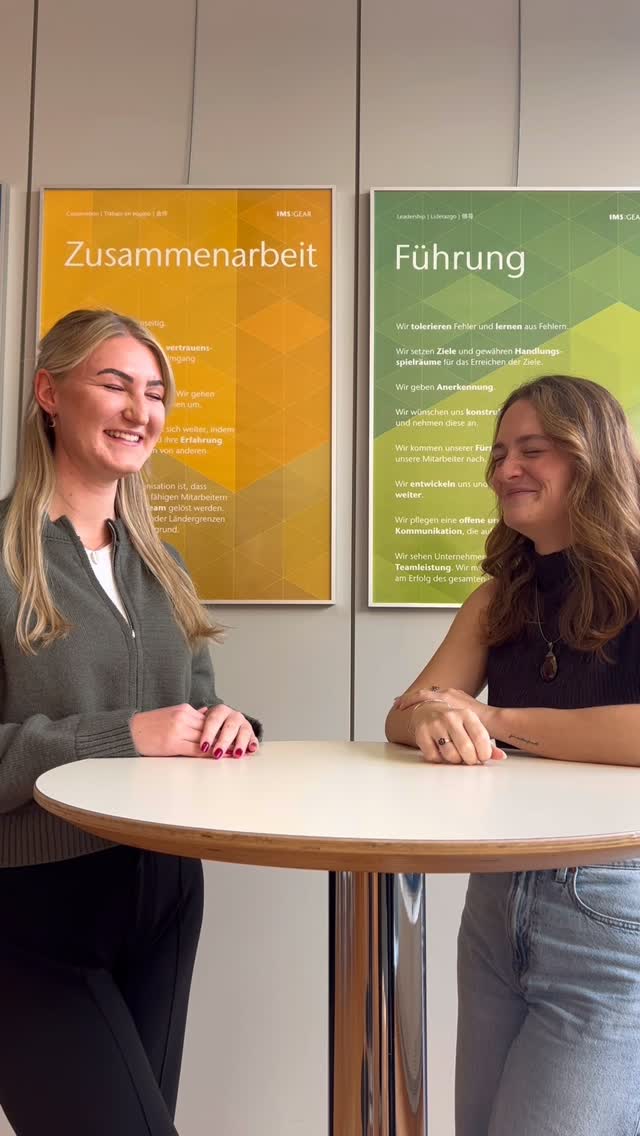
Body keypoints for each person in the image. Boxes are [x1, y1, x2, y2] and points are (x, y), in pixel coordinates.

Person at [0, 309, 261, 1136]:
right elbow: (136, 728)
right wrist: (121, 735)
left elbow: (197, 701)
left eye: (154, 393)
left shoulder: (162, 563)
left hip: (165, 894)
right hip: (33, 902)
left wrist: (226, 725)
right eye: (114, 384)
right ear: (49, 393)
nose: (139, 410)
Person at [386, 374, 640, 1136]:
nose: (506, 470)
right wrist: (434, 715)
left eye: (533, 450)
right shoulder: (497, 600)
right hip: (496, 905)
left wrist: (494, 719)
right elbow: (403, 716)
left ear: (592, 458)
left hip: (614, 907)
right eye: (499, 454)